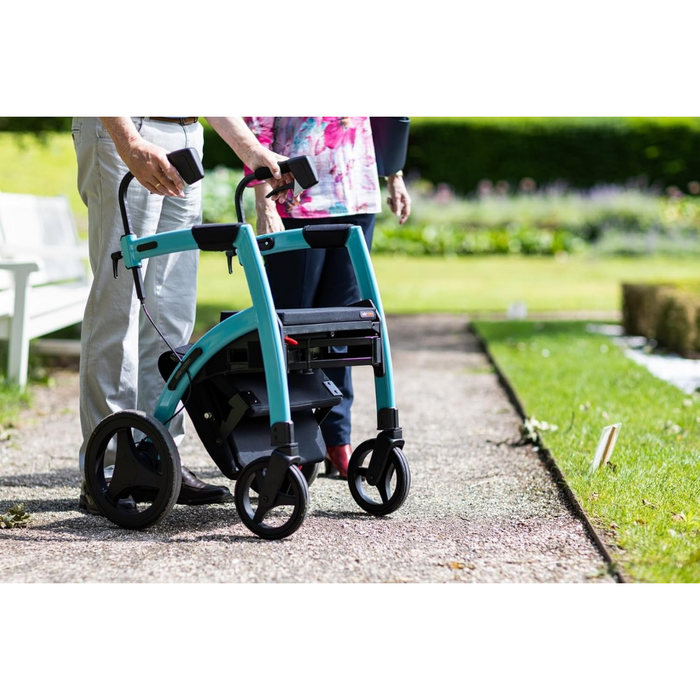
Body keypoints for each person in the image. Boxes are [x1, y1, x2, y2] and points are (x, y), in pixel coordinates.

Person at [72, 117, 291, 514]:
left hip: (186, 134)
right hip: (128, 125)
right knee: (118, 306)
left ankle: (159, 458)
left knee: (172, 313)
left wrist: (250, 149)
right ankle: (105, 469)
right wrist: (131, 142)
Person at [244, 117, 411, 479]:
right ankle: (293, 441)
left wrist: (393, 173)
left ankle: (337, 438)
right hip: (295, 197)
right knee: (292, 332)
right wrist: (263, 200)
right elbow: (257, 119)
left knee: (344, 327)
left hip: (357, 190)